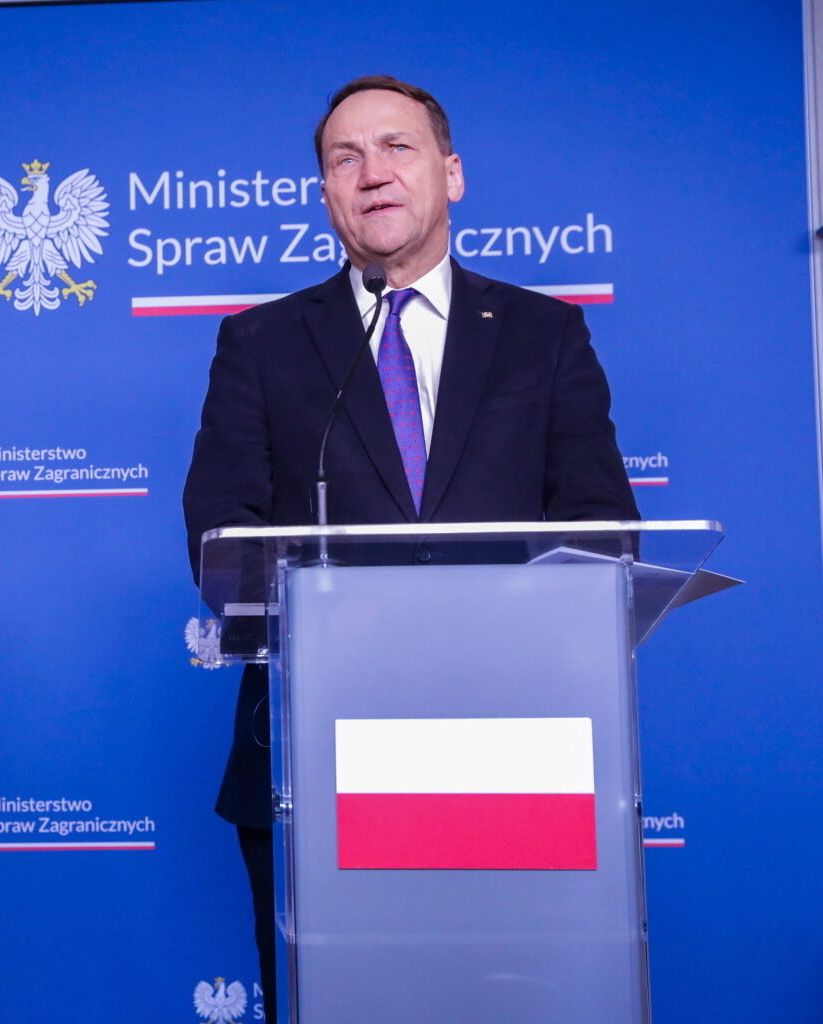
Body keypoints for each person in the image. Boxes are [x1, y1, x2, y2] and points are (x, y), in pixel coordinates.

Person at [181, 76, 638, 1021]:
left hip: (516, 758)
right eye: (344, 158)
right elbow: (220, 534)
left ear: (451, 173)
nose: (371, 173)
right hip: (311, 764)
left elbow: (602, 527)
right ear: (325, 194)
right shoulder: (261, 344)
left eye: (397, 147)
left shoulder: (542, 334)